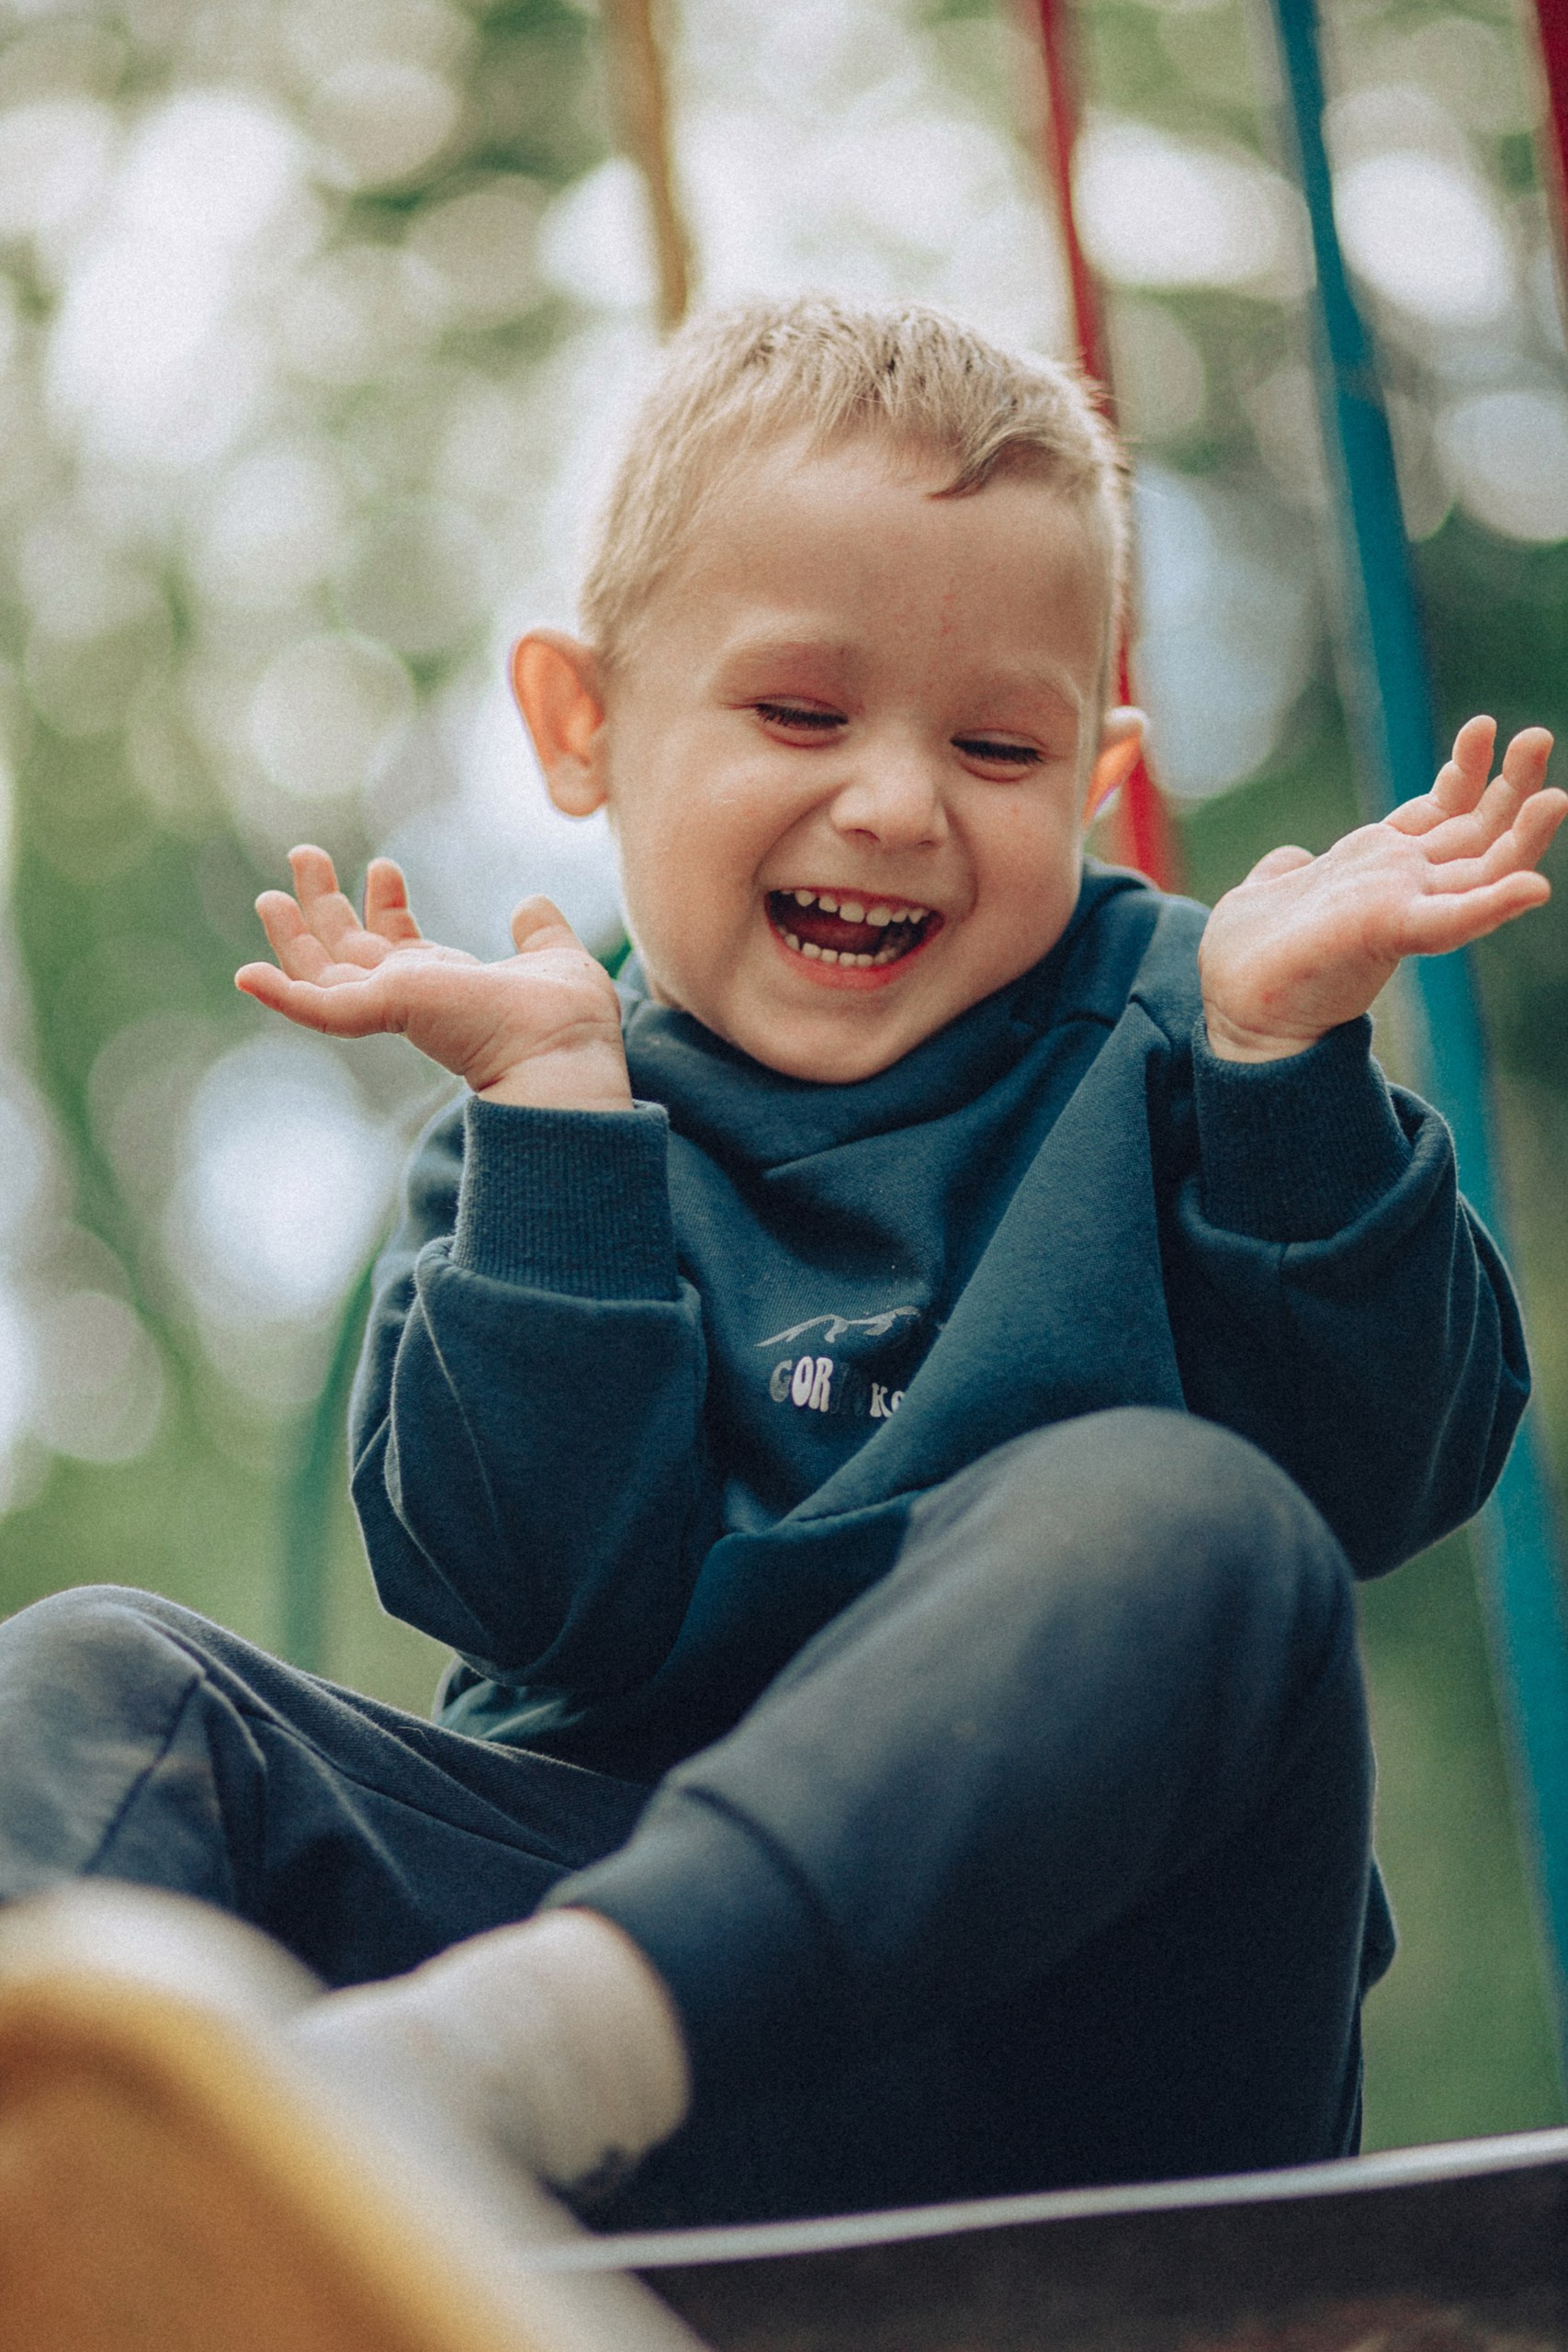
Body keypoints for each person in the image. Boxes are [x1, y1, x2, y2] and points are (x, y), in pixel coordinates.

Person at [0, 298, 1561, 2230]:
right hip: (586, 2011)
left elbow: (1384, 1466)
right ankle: (68, 2183)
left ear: (1092, 776)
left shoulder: (1184, 1033)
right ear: (582, 727)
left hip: (1077, 2054)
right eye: (799, 713)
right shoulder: (544, 1120)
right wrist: (562, 1132)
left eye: (996, 743)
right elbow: (536, 1601)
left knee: (1191, 1515)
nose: (896, 801)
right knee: (104, 1680)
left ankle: (498, 2068)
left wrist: (1287, 1079)